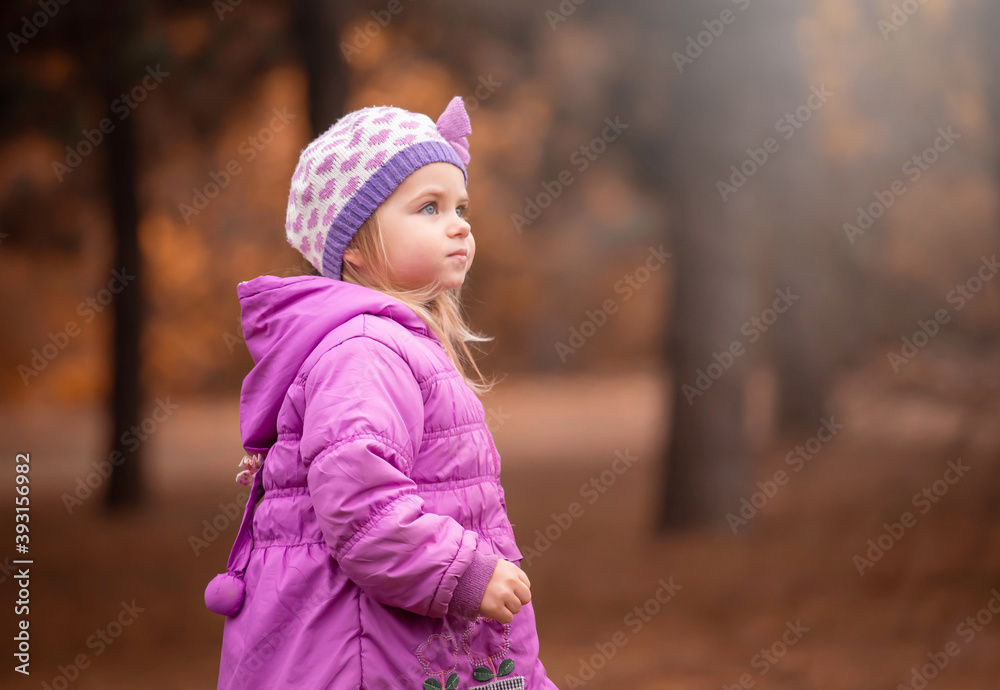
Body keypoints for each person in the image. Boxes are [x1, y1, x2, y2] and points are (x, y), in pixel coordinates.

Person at [204, 96, 560, 690]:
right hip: (367, 652)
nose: (460, 224)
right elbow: (363, 509)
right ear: (354, 244)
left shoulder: (394, 344)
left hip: (408, 644)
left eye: (461, 207)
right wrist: (467, 572)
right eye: (429, 207)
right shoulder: (365, 351)